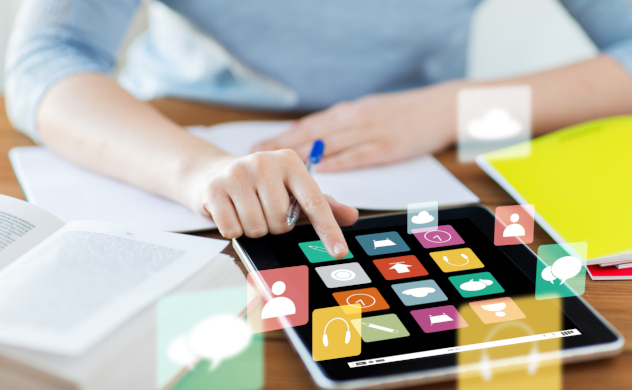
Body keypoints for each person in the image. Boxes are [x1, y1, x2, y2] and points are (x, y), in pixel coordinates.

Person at [5, 1, 632, 260]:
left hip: (421, 152)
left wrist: (452, 109)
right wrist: (197, 168)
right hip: (165, 134)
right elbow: (45, 60)